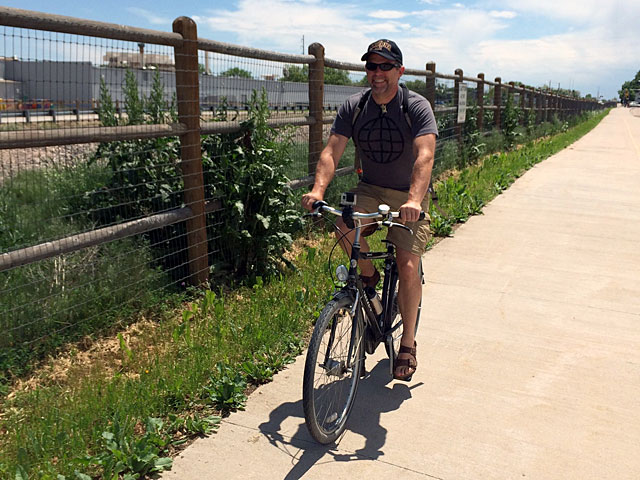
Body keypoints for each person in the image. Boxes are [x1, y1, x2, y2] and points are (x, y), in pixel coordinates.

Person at [302, 39, 438, 381]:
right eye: (371, 66)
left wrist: (414, 201)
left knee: (408, 266)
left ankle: (407, 343)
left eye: (385, 66)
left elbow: (425, 156)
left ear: (400, 71)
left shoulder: (416, 106)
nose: (377, 73)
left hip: (409, 195)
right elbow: (332, 152)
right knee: (343, 227)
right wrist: (318, 190)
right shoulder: (355, 106)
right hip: (370, 190)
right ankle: (368, 277)